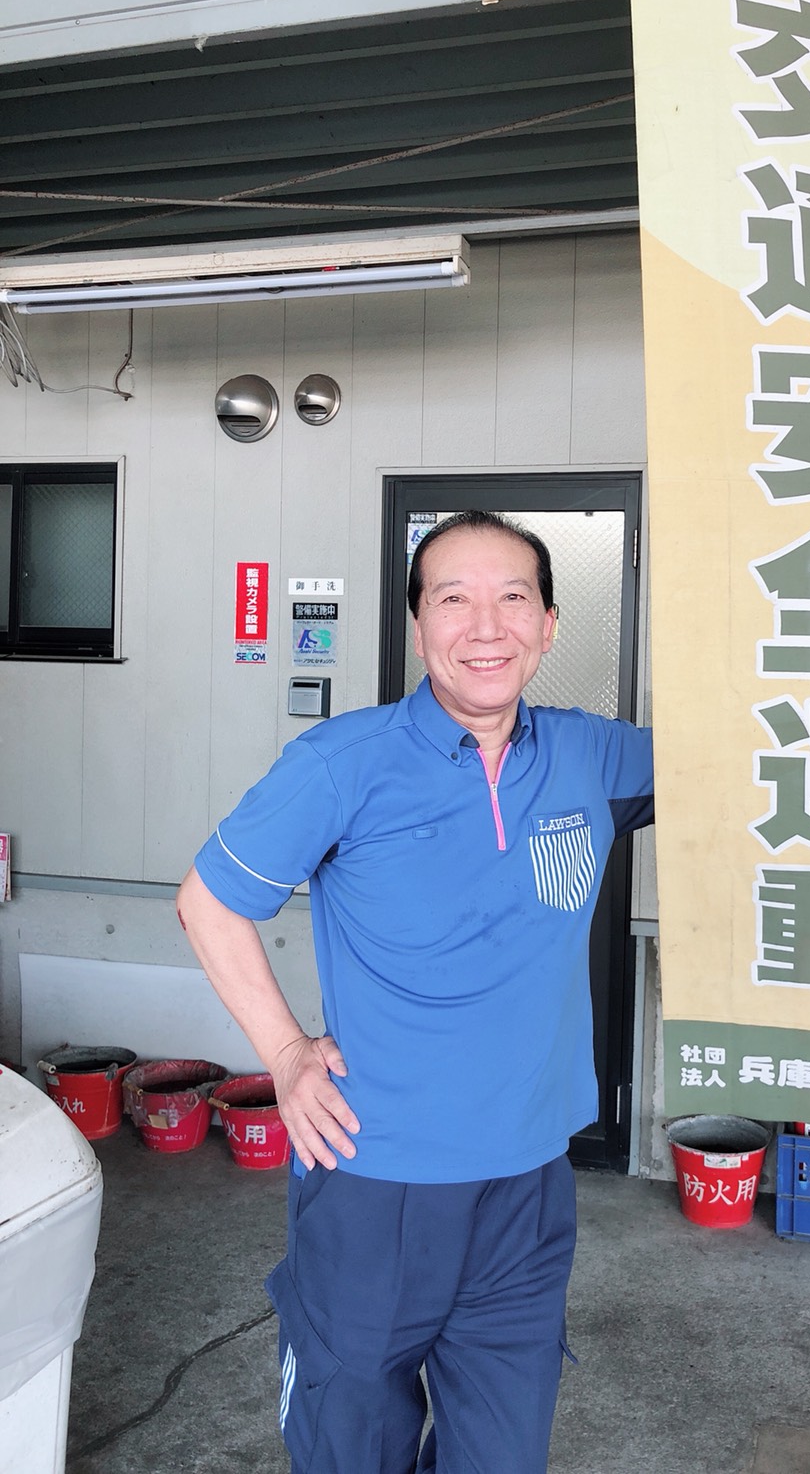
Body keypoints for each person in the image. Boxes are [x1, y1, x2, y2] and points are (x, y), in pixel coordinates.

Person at [176, 509, 654, 1474]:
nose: (486, 627)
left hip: (526, 1184)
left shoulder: (592, 756)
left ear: (549, 624)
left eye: (513, 597)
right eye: (453, 599)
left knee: (502, 1455)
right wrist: (286, 1054)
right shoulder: (343, 764)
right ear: (419, 623)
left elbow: (738, 760)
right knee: (351, 1447)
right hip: (374, 1178)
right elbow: (209, 902)